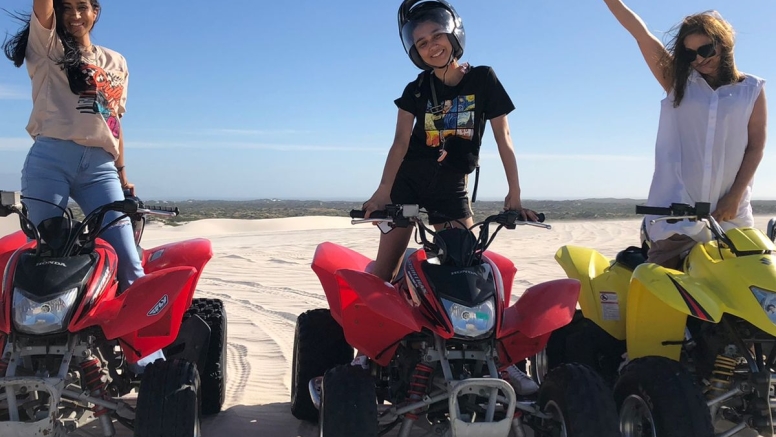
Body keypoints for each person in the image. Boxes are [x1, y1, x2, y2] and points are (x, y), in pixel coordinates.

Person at [358, 0, 539, 396]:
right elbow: (400, 142)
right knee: (385, 269)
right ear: (414, 50)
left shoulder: (484, 79)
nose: (431, 45)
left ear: (453, 33)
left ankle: (504, 366)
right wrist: (383, 191)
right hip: (409, 182)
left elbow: (503, 138)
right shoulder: (417, 89)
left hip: (451, 185)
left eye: (436, 35)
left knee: (474, 272)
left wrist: (515, 193)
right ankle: (364, 353)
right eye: (421, 42)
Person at [602, 0, 768, 269]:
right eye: (690, 54)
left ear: (723, 43)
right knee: (664, 301)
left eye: (705, 49)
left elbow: (756, 146)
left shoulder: (751, 89)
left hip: (731, 219)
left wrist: (734, 197)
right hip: (675, 222)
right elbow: (640, 33)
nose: (699, 59)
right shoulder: (678, 82)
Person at [3, 0, 144, 290]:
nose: (75, 15)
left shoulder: (116, 61)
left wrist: (121, 172)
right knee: (49, 254)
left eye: (83, 7)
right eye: (66, 8)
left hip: (100, 168)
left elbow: (113, 121)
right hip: (50, 162)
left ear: (96, 12)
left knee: (127, 261)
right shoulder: (47, 48)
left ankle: (128, 333)